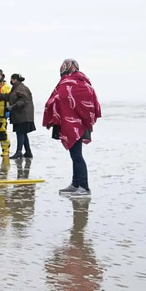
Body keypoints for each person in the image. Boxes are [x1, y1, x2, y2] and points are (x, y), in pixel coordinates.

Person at [43, 58, 102, 195]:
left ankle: (84, 187)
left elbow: (59, 98)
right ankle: (75, 184)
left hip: (75, 125)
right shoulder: (84, 82)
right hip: (79, 124)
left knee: (77, 155)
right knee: (74, 154)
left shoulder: (71, 82)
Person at [8, 73, 35, 158]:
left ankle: (19, 151)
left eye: (12, 79)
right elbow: (8, 97)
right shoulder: (17, 88)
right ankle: (28, 152)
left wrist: (12, 107)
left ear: (14, 79)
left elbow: (23, 101)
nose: (11, 81)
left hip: (22, 115)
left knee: (20, 133)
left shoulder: (20, 88)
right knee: (23, 133)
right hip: (23, 115)